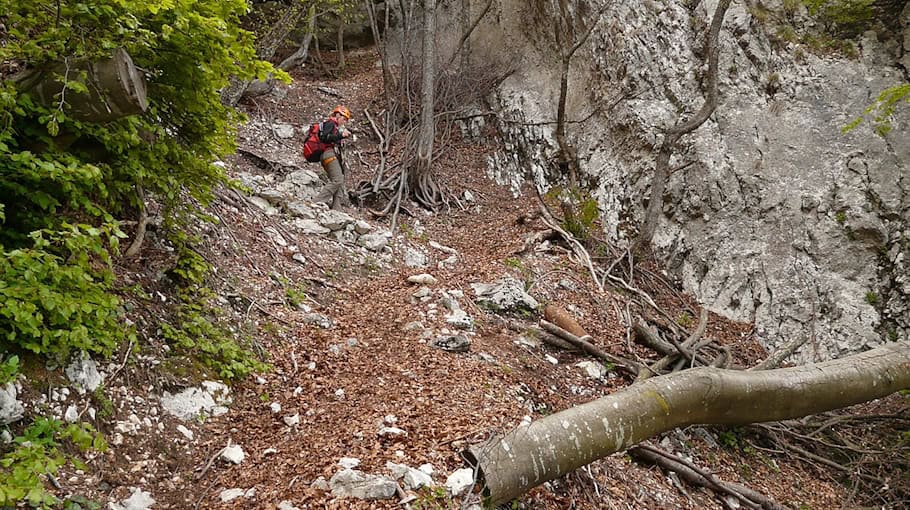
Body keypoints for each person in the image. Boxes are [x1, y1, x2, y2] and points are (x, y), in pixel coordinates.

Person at [310, 105, 352, 210]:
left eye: (346, 120)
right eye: (344, 119)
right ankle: (316, 201)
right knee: (337, 179)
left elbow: (332, 139)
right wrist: (341, 136)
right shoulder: (330, 123)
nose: (344, 122)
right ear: (338, 115)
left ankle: (337, 209)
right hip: (328, 154)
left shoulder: (334, 126)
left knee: (340, 180)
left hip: (330, 154)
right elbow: (325, 137)